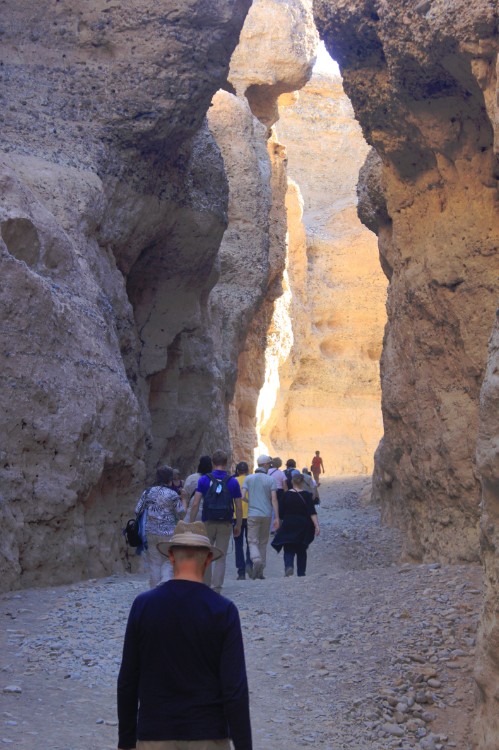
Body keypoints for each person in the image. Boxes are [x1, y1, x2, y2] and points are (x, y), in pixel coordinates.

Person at [117, 521, 252, 750]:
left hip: (154, 734)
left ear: (171, 557)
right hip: (208, 734)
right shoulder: (223, 611)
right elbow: (234, 689)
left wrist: (126, 741)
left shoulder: (143, 606)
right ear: (208, 559)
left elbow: (128, 680)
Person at [189, 450, 242, 594]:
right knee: (221, 555)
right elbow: (238, 506)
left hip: (208, 521)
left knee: (206, 553)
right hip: (225, 523)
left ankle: (205, 585)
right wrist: (238, 525)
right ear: (226, 463)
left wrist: (191, 523)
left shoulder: (204, 480)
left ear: (213, 463)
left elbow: (195, 503)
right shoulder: (232, 481)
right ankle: (217, 587)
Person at [135, 465, 185, 588]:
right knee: (168, 560)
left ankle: (154, 591)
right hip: (168, 534)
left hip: (151, 532)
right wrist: (184, 499)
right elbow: (181, 513)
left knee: (154, 563)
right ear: (170, 479)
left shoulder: (147, 492)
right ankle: (165, 586)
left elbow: (137, 510)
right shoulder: (173, 495)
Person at [271, 471, 320, 577]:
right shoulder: (307, 495)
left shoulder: (286, 495)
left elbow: (281, 512)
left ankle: (289, 566)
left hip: (289, 524)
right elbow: (312, 512)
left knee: (288, 547)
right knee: (302, 549)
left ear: (292, 482)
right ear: (302, 483)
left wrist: (278, 521)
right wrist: (316, 525)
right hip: (303, 525)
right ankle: (301, 573)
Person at [243, 455, 279, 580]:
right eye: (269, 464)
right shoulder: (270, 480)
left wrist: (250, 501)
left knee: (252, 541)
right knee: (263, 542)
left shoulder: (248, 478)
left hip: (253, 514)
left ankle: (256, 560)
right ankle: (261, 571)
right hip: (267, 514)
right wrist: (277, 518)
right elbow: (274, 499)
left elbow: (242, 496)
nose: (269, 466)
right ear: (264, 465)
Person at [234, 461, 252, 580]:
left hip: (236, 517)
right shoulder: (251, 480)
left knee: (238, 544)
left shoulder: (233, 481)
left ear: (237, 470)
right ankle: (249, 565)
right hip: (250, 515)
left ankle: (241, 571)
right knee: (250, 543)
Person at [183, 455, 213, 521]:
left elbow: (185, 496)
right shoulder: (213, 479)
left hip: (191, 512)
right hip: (208, 513)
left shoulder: (191, 478)